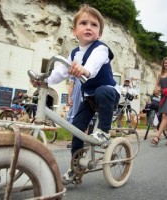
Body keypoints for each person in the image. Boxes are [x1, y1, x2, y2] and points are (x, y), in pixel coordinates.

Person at [30, 4, 120, 181]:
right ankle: (76, 166)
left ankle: (104, 131)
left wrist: (84, 70)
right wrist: (44, 80)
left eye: (94, 25)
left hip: (109, 94)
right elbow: (59, 73)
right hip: (90, 98)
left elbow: (94, 64)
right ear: (74, 31)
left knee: (102, 91)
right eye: (84, 23)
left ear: (99, 34)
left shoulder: (100, 49)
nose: (88, 27)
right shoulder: (73, 54)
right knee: (77, 128)